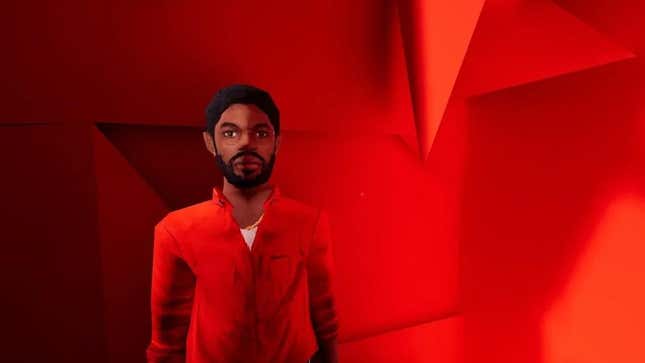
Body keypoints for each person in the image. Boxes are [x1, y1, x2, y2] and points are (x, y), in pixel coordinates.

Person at [146, 84, 340, 363]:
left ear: (277, 142)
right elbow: (166, 339)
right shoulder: (176, 230)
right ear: (209, 142)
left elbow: (325, 316)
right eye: (230, 132)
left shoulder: (309, 222)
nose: (246, 142)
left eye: (260, 133)